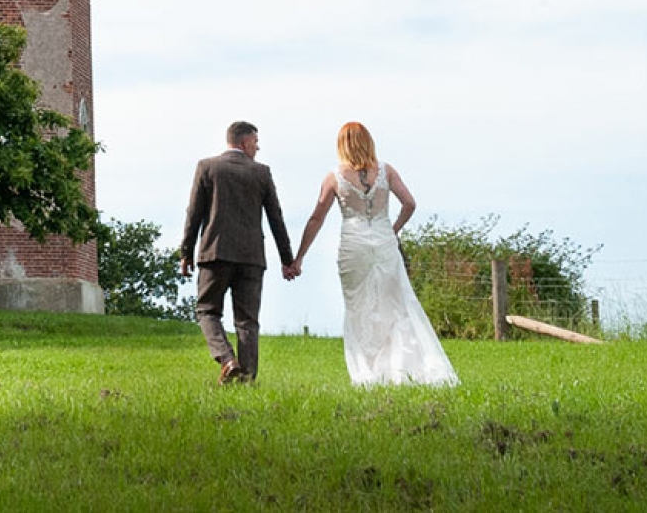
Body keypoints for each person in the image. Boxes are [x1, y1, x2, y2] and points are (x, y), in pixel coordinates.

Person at [290, 121, 458, 387]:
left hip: (353, 246)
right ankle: (402, 369)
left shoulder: (334, 177)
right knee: (396, 306)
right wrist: (392, 229)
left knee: (359, 307)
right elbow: (410, 204)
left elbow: (316, 218)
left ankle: (368, 373)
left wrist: (299, 257)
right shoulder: (386, 171)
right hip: (384, 243)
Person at [179, 120, 296, 384]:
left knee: (207, 311)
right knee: (247, 321)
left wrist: (185, 252)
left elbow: (194, 213)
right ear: (244, 142)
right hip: (252, 257)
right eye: (255, 142)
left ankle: (227, 359)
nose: (258, 147)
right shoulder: (261, 173)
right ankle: (247, 378)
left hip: (215, 253)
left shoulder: (207, 168)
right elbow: (276, 218)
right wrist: (287, 260)